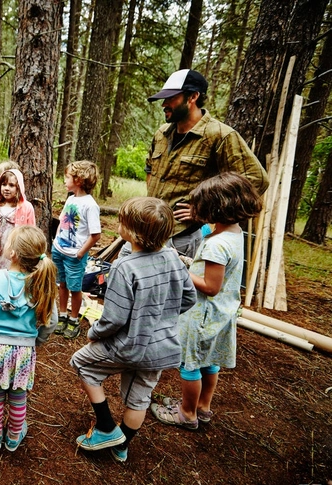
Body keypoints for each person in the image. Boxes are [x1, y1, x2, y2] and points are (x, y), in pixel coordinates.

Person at [70, 197, 196, 463]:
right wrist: (162, 319)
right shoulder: (174, 258)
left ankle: (106, 428)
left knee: (82, 363)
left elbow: (113, 319)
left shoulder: (124, 267)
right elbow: (189, 298)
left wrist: (94, 333)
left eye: (122, 222)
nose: (119, 225)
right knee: (140, 397)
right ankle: (121, 446)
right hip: (162, 348)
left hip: (128, 345)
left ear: (133, 233)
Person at [151, 173, 263, 430]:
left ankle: (186, 413)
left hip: (201, 313)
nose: (196, 210)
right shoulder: (234, 233)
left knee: (189, 364)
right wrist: (188, 262)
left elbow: (211, 287)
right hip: (221, 313)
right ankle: (203, 407)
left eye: (200, 205)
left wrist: (179, 270)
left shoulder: (216, 244)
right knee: (209, 361)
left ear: (217, 207)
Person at [144, 68, 269, 259]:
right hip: (148, 230)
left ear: (192, 97)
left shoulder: (220, 135)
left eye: (171, 98)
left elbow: (256, 179)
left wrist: (205, 213)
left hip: (180, 238)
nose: (164, 104)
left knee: (174, 289)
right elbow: (150, 170)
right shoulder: (162, 133)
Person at [0, 225, 58, 452]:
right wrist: (37, 340)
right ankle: (13, 437)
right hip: (24, 351)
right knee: (19, 397)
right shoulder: (41, 282)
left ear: (13, 254)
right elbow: (53, 320)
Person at [51, 161, 102, 339]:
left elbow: (96, 235)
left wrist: (80, 253)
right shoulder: (70, 199)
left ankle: (74, 320)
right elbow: (62, 221)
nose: (64, 180)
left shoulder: (90, 205)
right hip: (59, 250)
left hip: (74, 256)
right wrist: (56, 240)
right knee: (62, 284)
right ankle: (63, 315)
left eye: (67, 177)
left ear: (79, 180)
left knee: (75, 288)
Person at [0, 168, 35, 270]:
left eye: (11, 185)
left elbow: (31, 232)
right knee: (1, 276)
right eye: (3, 185)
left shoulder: (26, 207)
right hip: (1, 250)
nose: (6, 188)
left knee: (16, 275)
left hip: (18, 251)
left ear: (19, 187)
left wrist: (26, 251)